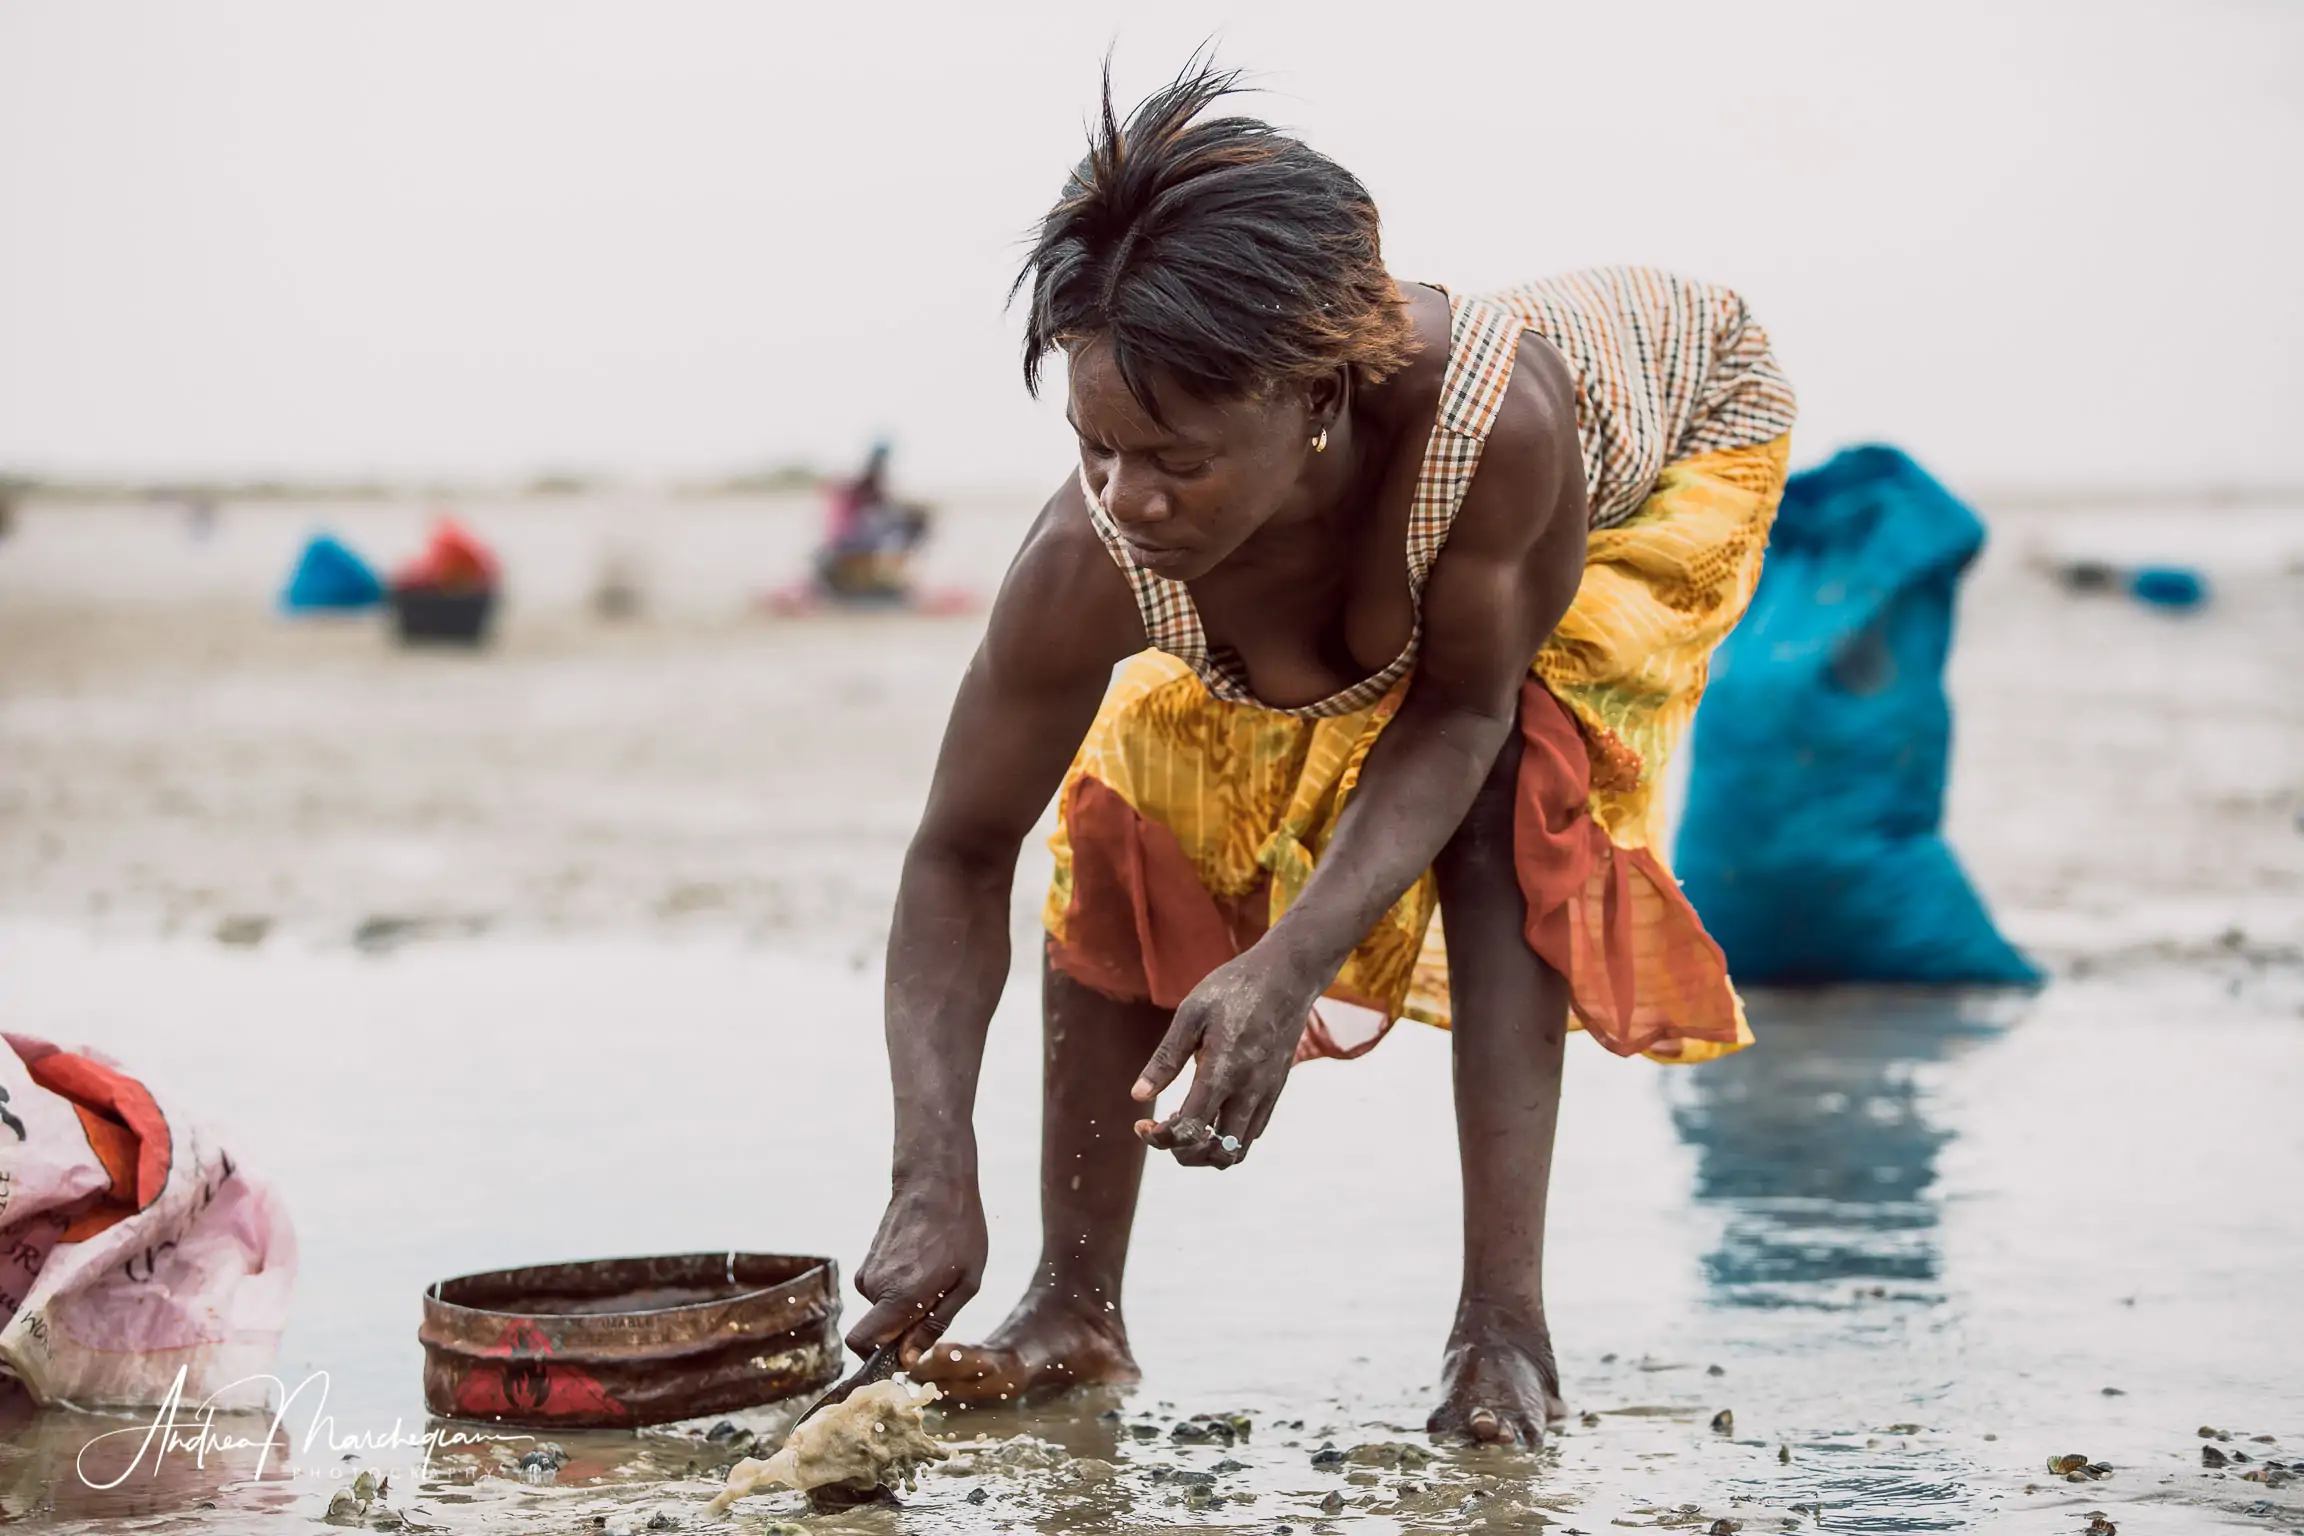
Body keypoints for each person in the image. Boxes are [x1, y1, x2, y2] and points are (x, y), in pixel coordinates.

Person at [847, 58, 1797, 1447]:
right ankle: (1073, 1310)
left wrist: (1287, 967)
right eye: (1095, 447)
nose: (1130, 500)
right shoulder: (1094, 548)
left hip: (1662, 450)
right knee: (1132, 803)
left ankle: (1504, 1336)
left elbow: (1459, 713)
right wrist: (932, 1167)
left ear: (1319, 402)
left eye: (1173, 457)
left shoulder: (1495, 430)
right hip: (1364, 542)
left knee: (1501, 802)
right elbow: (958, 849)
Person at [816, 440, 931, 599]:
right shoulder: (864, 487)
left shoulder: (866, 490)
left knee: (899, 525)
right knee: (901, 525)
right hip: (847, 547)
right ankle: (874, 579)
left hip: (847, 548)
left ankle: (879, 578)